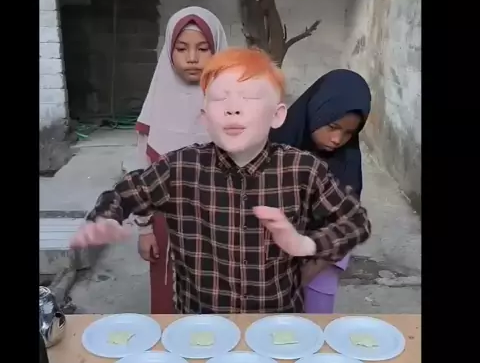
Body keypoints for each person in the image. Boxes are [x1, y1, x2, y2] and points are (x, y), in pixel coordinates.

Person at [71, 48, 371, 315]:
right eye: (220, 99)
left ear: (277, 115)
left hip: (276, 327)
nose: (233, 108)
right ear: (205, 118)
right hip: (202, 328)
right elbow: (125, 193)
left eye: (249, 99)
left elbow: (355, 222)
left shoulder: (304, 170)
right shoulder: (180, 169)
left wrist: (307, 244)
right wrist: (106, 217)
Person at [134, 7, 228, 313]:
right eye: (182, 48)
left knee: (219, 300)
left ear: (218, 50)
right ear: (168, 52)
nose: (192, 58)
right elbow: (143, 177)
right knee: (167, 299)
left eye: (203, 49)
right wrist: (145, 230)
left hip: (220, 223)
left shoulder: (233, 105)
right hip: (166, 224)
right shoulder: (157, 106)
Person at [270, 69, 372, 312]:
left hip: (321, 261)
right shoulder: (275, 145)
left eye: (349, 133)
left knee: (314, 321)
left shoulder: (347, 162)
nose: (337, 139)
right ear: (316, 110)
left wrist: (304, 274)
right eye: (333, 126)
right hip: (269, 259)